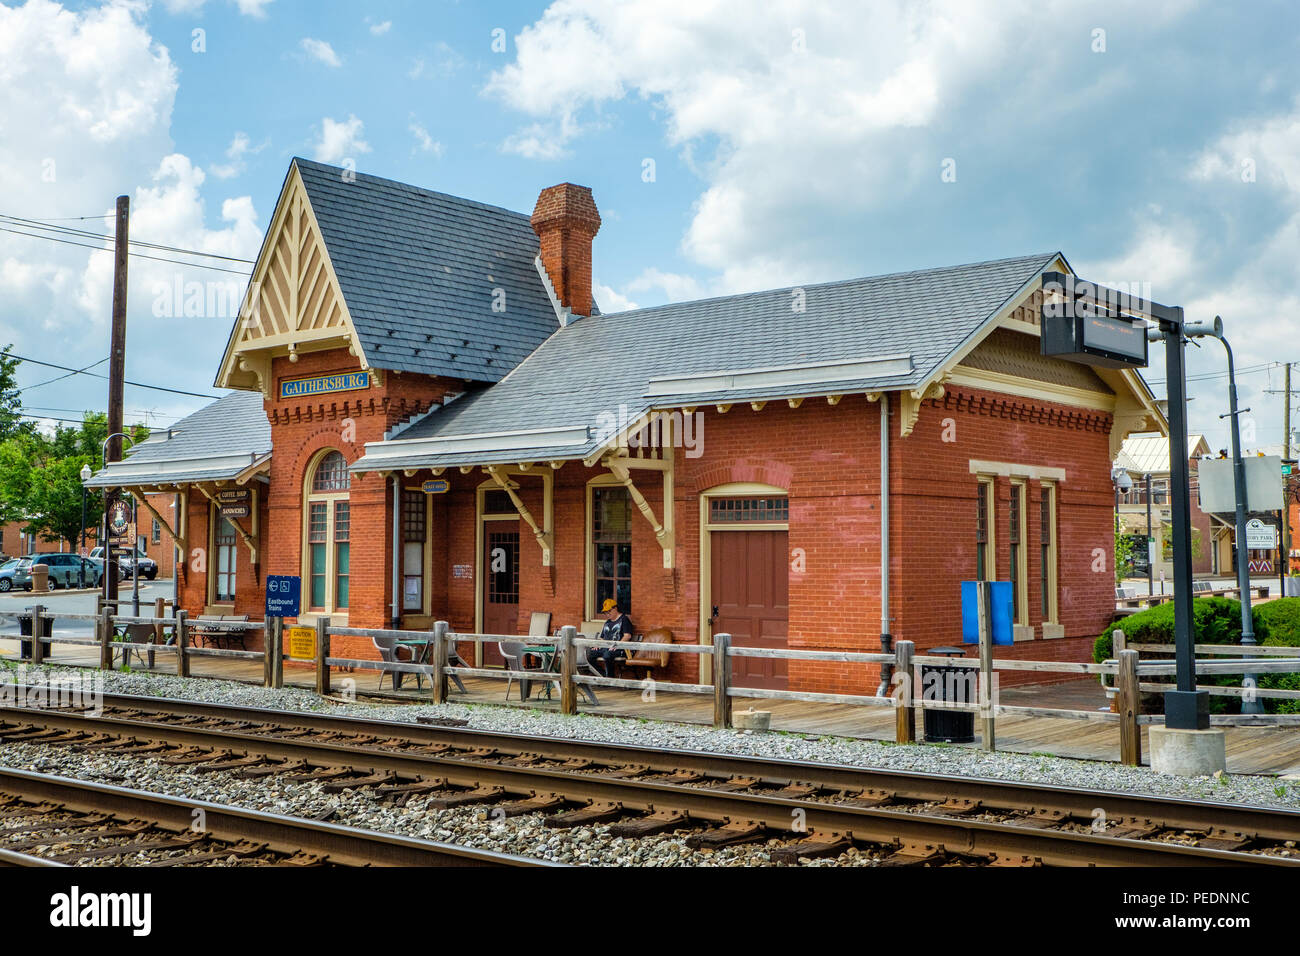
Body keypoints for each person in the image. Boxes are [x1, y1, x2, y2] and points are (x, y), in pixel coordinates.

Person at [588, 598, 633, 676]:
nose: (607, 614)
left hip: (620, 649)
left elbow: (627, 636)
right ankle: (603, 675)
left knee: (607, 655)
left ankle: (610, 678)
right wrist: (598, 645)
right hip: (606, 647)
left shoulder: (624, 619)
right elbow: (602, 637)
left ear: (615, 608)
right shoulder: (607, 622)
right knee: (590, 654)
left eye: (609, 611)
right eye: (605, 613)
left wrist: (617, 645)